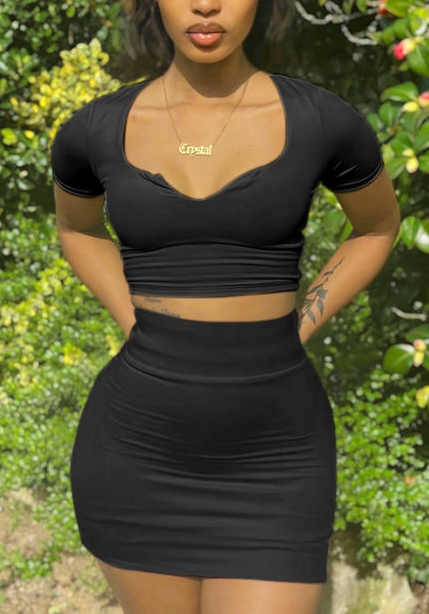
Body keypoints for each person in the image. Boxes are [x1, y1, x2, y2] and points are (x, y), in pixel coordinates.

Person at [51, 1, 401, 613]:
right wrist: (138, 322)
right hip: (136, 451)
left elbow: (377, 226)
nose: (206, 4)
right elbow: (78, 229)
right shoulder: (95, 129)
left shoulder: (321, 121)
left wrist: (297, 325)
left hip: (276, 457)